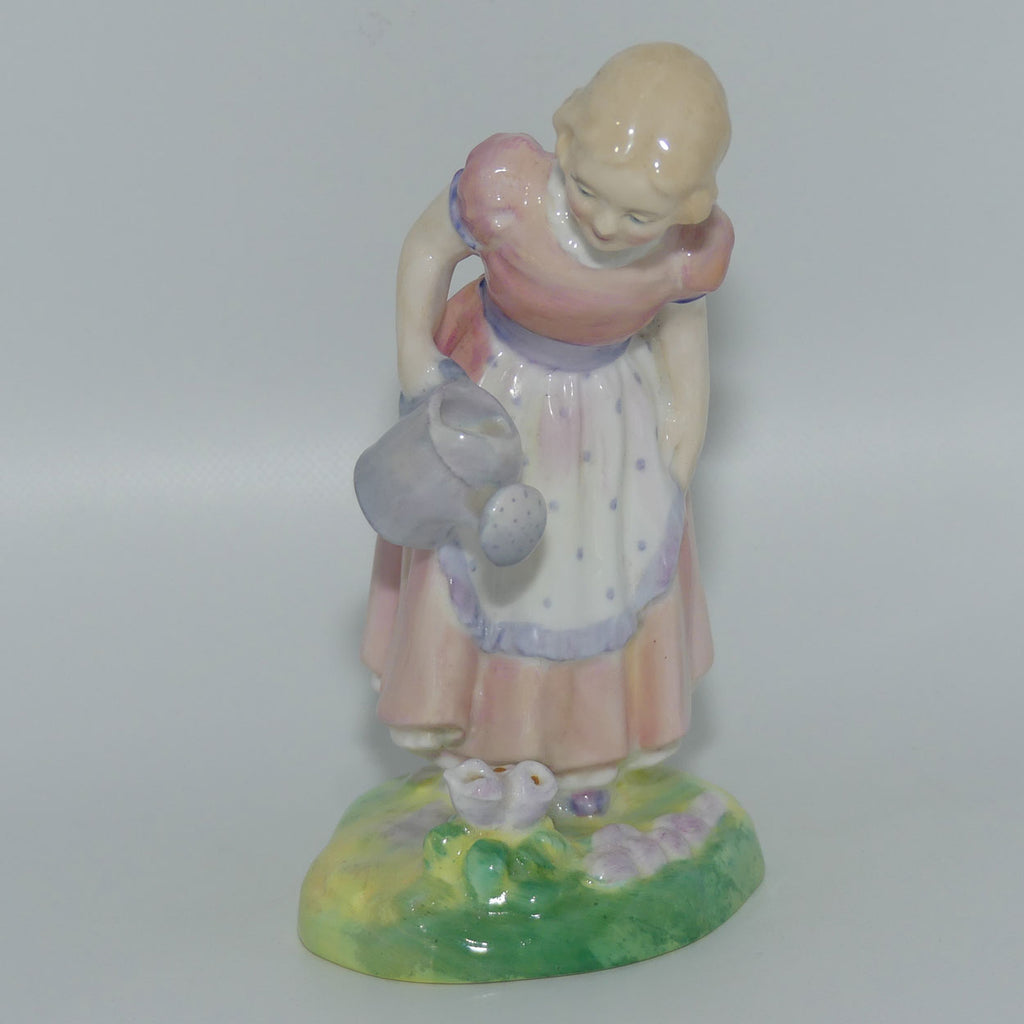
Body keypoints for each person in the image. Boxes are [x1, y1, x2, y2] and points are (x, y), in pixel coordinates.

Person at [360, 43, 734, 801]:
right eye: (589, 190)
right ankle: (460, 724)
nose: (605, 222)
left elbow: (684, 332)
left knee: (592, 575)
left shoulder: (687, 253)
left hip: (607, 423)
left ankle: (584, 746)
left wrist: (685, 423)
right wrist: (414, 354)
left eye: (639, 215)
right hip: (498, 394)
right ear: (564, 138)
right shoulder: (507, 190)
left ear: (689, 208)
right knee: (476, 559)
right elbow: (429, 246)